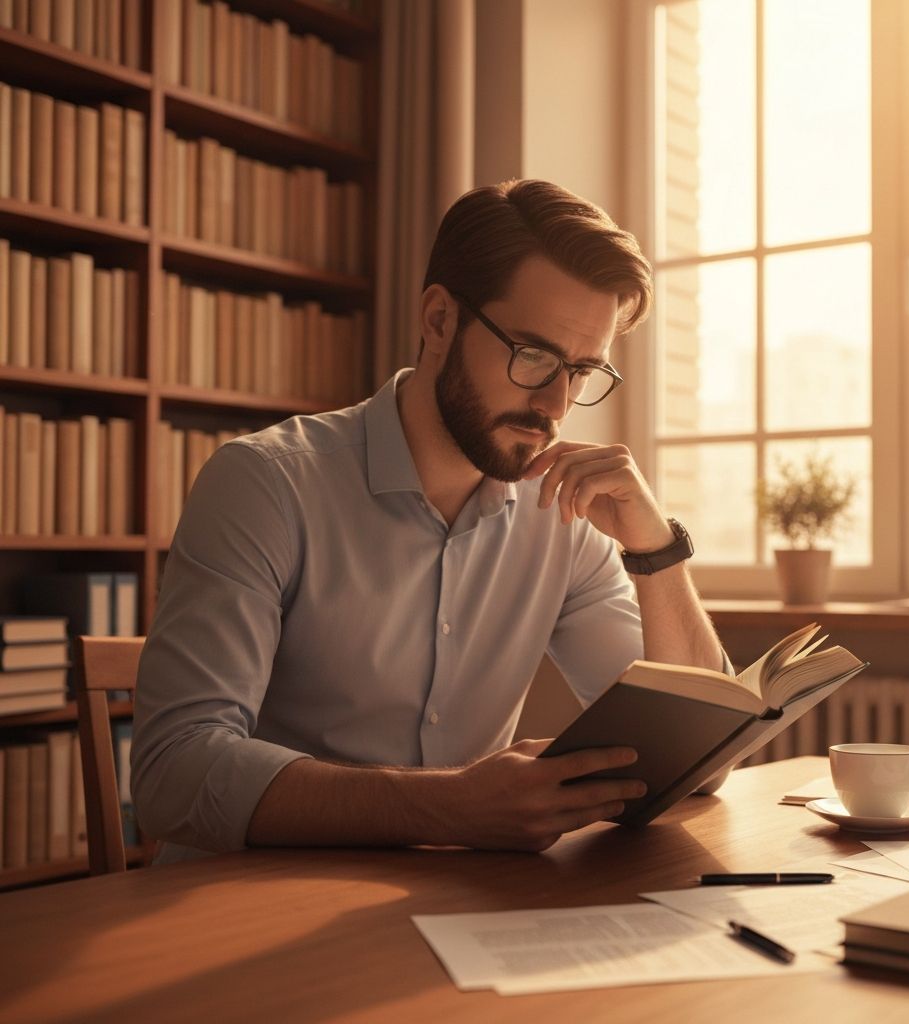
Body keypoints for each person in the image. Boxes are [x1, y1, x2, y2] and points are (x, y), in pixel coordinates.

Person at [132, 179, 729, 865]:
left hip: (460, 910)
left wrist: (655, 549)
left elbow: (701, 763)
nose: (556, 403)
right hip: (250, 911)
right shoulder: (266, 485)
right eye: (533, 357)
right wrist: (450, 806)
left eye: (583, 370)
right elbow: (172, 776)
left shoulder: (563, 518)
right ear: (440, 320)